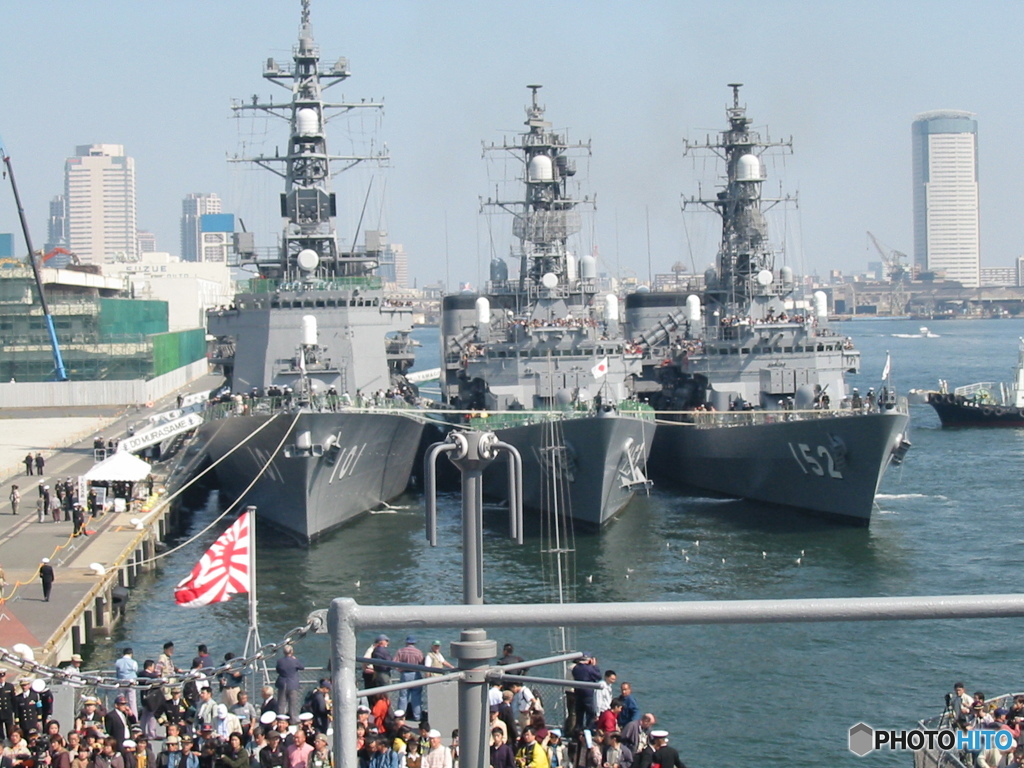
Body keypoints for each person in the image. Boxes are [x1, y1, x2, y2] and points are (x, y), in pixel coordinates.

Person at [393, 637, 424, 722]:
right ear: (414, 643)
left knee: (403, 697)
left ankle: (401, 717)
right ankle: (417, 716)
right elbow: (422, 664)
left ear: (406, 642)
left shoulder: (400, 651)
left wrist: (401, 670)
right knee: (416, 697)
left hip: (405, 674)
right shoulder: (418, 652)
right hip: (416, 674)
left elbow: (394, 663)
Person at [571, 653, 602, 731]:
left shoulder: (576, 668)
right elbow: (598, 676)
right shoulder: (589, 669)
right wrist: (594, 666)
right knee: (591, 715)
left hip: (578, 693)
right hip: (588, 694)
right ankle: (588, 731)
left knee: (579, 717)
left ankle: (578, 734)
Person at [274, 646, 304, 723]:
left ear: (284, 652)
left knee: (281, 703)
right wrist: (295, 659)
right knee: (292, 703)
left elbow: (278, 670)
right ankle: (293, 719)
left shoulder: (280, 661)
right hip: (293, 683)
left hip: (282, 683)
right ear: (291, 652)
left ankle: (280, 719)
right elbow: (302, 667)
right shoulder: (295, 661)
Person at [114, 649, 140, 717]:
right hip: (131, 683)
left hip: (121, 683)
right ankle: (134, 718)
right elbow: (135, 670)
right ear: (131, 654)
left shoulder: (118, 662)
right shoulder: (133, 662)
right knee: (132, 702)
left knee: (121, 701)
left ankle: (121, 716)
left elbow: (117, 670)